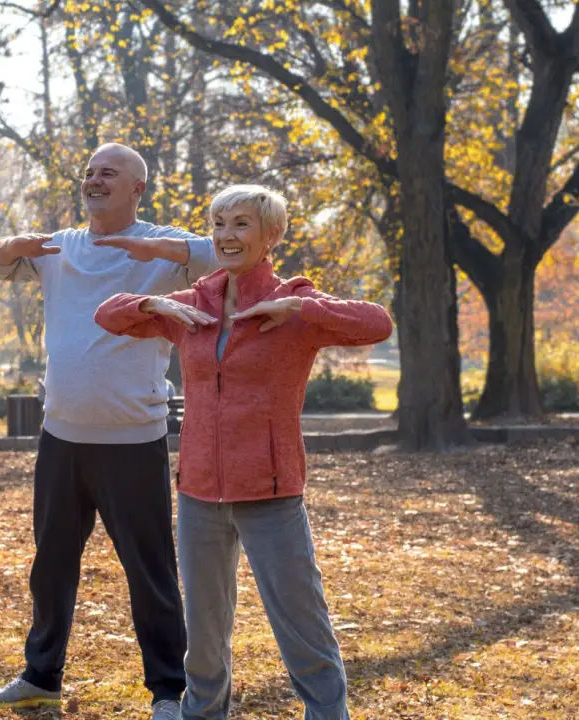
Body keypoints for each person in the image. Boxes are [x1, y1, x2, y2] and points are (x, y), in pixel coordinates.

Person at [94, 185, 392, 720]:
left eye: (241, 225)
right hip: (199, 493)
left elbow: (377, 322)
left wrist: (301, 305)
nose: (227, 236)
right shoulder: (191, 307)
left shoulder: (295, 307)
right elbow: (108, 316)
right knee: (205, 630)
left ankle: (328, 713)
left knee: (301, 620)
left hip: (272, 492)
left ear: (270, 236)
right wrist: (152, 302)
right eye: (219, 224)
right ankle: (202, 713)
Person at [0, 143, 219, 719]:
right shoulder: (60, 246)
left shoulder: (165, 247)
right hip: (60, 437)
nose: (93, 179)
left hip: (132, 441)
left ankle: (167, 691)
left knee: (151, 571)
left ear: (138, 188)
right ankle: (41, 676)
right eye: (89, 172)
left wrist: (158, 248)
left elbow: (225, 254)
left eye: (108, 173)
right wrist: (9, 247)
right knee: (51, 564)